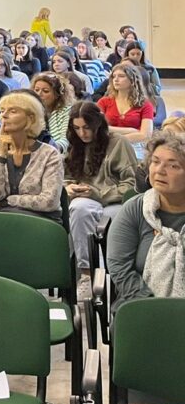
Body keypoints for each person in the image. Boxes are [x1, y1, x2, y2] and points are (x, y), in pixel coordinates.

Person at [64, 101, 138, 300]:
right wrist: (68, 187)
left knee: (110, 219)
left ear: (98, 124)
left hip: (115, 199)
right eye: (77, 128)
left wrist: (99, 193)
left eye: (87, 127)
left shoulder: (118, 143)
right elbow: (66, 177)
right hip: (86, 198)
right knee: (79, 209)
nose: (82, 133)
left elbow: (131, 185)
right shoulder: (75, 144)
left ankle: (117, 277)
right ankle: (86, 274)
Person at [107, 131, 185, 315]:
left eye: (173, 165)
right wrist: (152, 306)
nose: (159, 170)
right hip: (140, 306)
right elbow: (120, 268)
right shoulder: (135, 210)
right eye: (155, 161)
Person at [0, 93, 64, 221]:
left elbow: (49, 202)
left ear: (30, 118)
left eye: (13, 111)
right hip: (2, 220)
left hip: (41, 222)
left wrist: (7, 201)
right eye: (2, 111)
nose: (4, 115)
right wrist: (1, 155)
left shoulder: (50, 154)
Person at [97, 62, 155, 143]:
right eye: (114, 76)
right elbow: (97, 128)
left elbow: (146, 135)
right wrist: (131, 130)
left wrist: (115, 137)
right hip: (107, 145)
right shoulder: (104, 102)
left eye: (121, 76)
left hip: (135, 145)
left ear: (132, 80)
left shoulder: (145, 104)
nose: (116, 80)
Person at [32, 72, 74, 153]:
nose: (39, 94)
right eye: (36, 90)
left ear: (57, 94)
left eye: (45, 91)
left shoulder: (68, 111)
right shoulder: (29, 111)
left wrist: (50, 149)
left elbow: (66, 139)